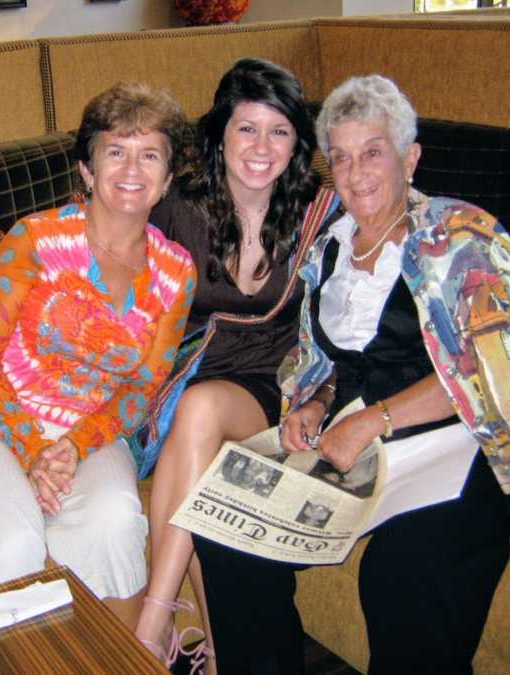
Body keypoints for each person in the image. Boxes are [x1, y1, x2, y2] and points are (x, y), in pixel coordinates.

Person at [193, 74, 510, 674]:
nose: (356, 173)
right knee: (229, 537)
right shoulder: (328, 247)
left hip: (468, 445)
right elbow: (334, 361)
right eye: (341, 157)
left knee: (405, 570)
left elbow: (494, 370)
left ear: (410, 158)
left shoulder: (459, 235)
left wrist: (376, 420)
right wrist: (316, 402)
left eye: (373, 152)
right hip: (366, 451)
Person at [0, 82, 197, 629]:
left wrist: (71, 446)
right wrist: (32, 448)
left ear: (167, 180)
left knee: (116, 520)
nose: (131, 168)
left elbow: (142, 387)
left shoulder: (177, 271)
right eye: (114, 151)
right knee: (9, 540)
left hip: (91, 432)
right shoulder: (34, 238)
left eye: (149, 155)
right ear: (87, 170)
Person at [133, 58, 329, 671]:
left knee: (202, 411)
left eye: (279, 131)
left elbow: (346, 317)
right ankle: (217, 650)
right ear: (221, 131)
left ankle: (153, 622)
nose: (261, 147)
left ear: (298, 141)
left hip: (271, 385)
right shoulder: (179, 206)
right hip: (183, 375)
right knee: (201, 455)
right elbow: (127, 290)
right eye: (247, 128)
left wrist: (322, 397)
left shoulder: (320, 214)